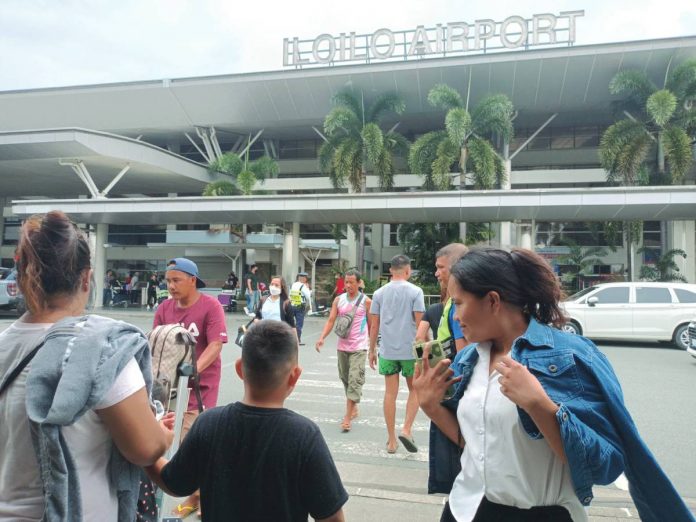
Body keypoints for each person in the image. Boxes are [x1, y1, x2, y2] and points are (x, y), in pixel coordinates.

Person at [415, 247, 694, 522]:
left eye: (459, 303)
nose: (454, 316)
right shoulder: (468, 359)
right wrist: (432, 407)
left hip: (544, 513)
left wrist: (540, 405)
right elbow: (478, 448)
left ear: (492, 301)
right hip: (466, 508)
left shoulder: (570, 356)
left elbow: (603, 466)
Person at [0, 211, 172, 521]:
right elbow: (146, 448)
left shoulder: (3, 345)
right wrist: (163, 434)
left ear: (23, 272)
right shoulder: (102, 347)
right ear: (85, 277)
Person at [145, 320, 348, 522]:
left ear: (240, 369)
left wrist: (149, 446)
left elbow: (173, 482)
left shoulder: (209, 424)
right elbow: (332, 517)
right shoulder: (304, 436)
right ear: (294, 376)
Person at [153, 257, 228, 517]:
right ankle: (191, 492)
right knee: (167, 442)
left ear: (192, 280)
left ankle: (203, 496)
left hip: (200, 389)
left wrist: (193, 371)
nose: (171, 286)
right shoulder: (164, 308)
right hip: (170, 389)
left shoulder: (211, 306)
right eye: (168, 281)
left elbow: (216, 345)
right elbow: (156, 343)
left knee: (192, 443)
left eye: (176, 280)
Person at [368, 254, 425, 454]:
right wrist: (422, 353)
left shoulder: (378, 293)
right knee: (415, 389)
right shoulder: (416, 292)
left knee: (390, 393)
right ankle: (406, 429)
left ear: (391, 270)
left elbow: (374, 325)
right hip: (410, 350)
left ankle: (391, 440)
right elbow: (420, 326)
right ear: (408, 271)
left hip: (388, 350)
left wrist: (371, 349)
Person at [315, 269, 372, 432]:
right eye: (346, 282)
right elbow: (331, 320)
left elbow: (372, 323)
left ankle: (347, 417)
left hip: (359, 347)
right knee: (345, 378)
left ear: (359, 283)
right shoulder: (338, 300)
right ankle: (353, 407)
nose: (348, 285)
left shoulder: (366, 301)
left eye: (351, 282)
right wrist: (322, 337)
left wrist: (372, 345)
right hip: (342, 346)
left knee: (355, 379)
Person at [416, 243, 469, 351]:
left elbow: (462, 357)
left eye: (440, 267)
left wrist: (423, 363)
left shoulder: (458, 304)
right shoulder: (452, 303)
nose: (436, 274)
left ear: (457, 267)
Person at [289, 271, 312, 345]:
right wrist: (308, 289)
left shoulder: (293, 284)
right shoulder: (303, 286)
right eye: (305, 278)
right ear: (304, 279)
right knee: (299, 324)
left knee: (291, 323)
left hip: (292, 305)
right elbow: (308, 296)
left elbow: (290, 294)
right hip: (300, 307)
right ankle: (297, 340)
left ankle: (290, 339)